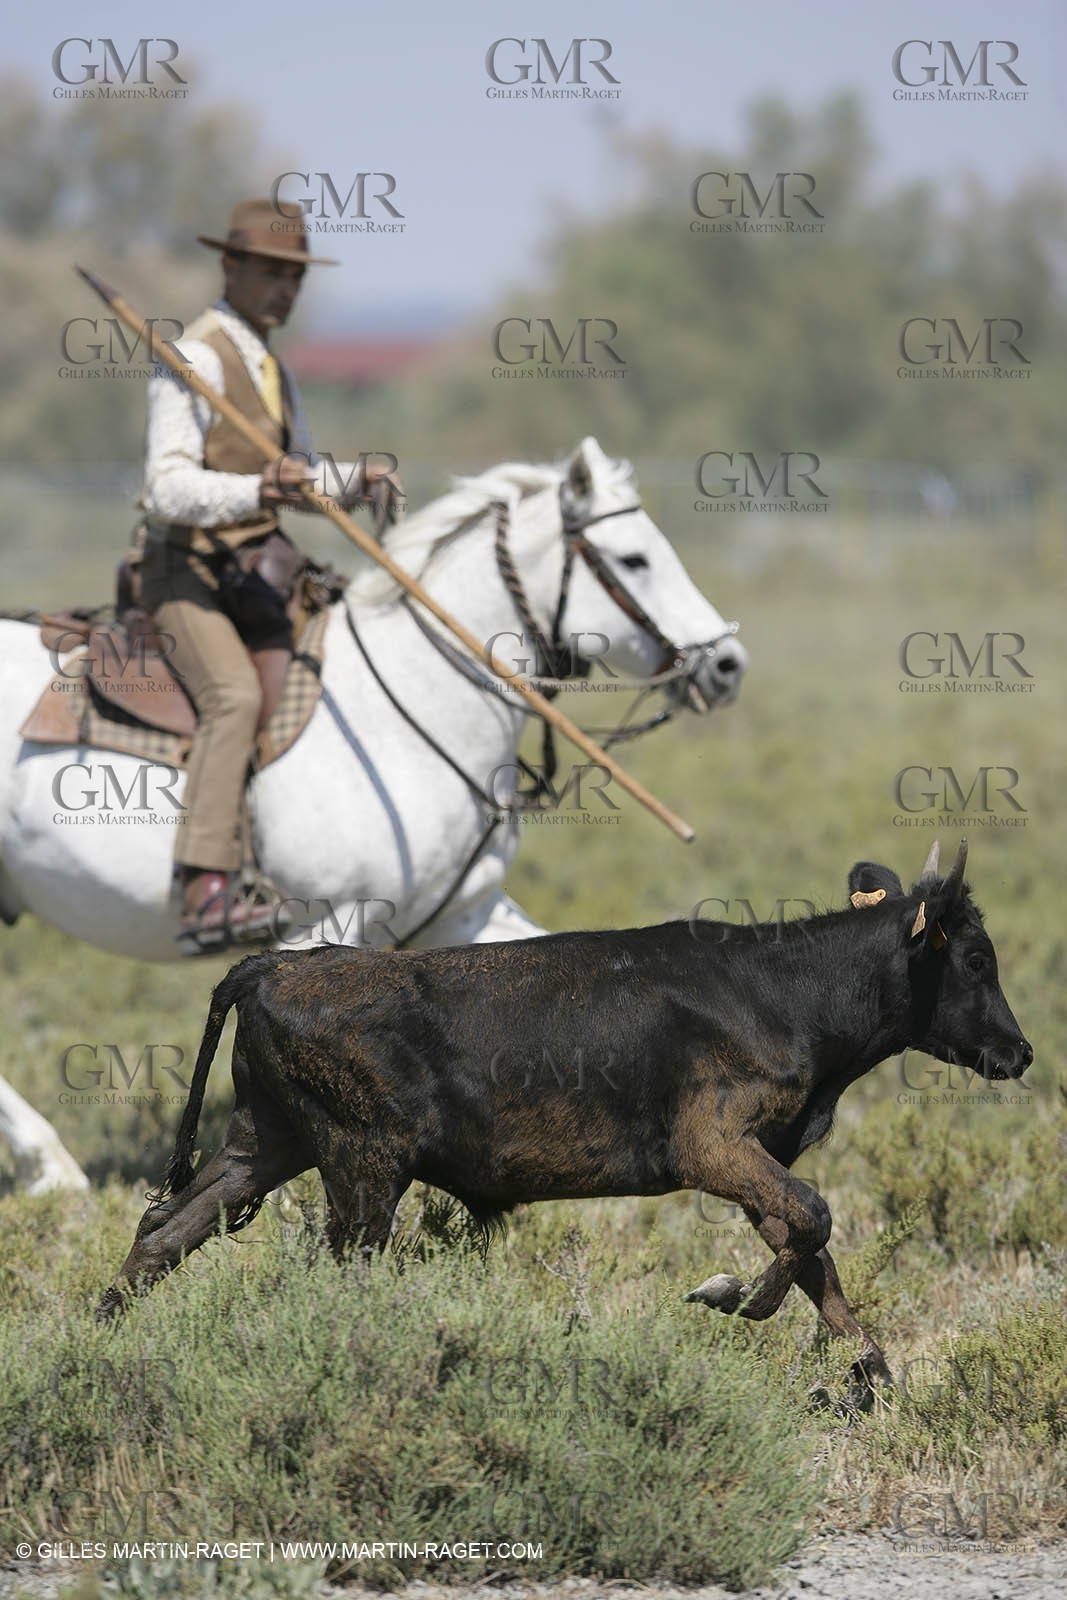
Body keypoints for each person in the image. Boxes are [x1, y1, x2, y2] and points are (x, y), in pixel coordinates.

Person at [140, 197, 385, 944]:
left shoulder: (272, 368)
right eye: (273, 272)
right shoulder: (196, 356)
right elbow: (165, 487)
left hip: (254, 576)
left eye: (296, 277)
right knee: (234, 697)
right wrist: (258, 490)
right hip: (185, 572)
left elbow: (298, 475)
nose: (286, 289)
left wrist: (356, 480)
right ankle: (204, 889)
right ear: (230, 267)